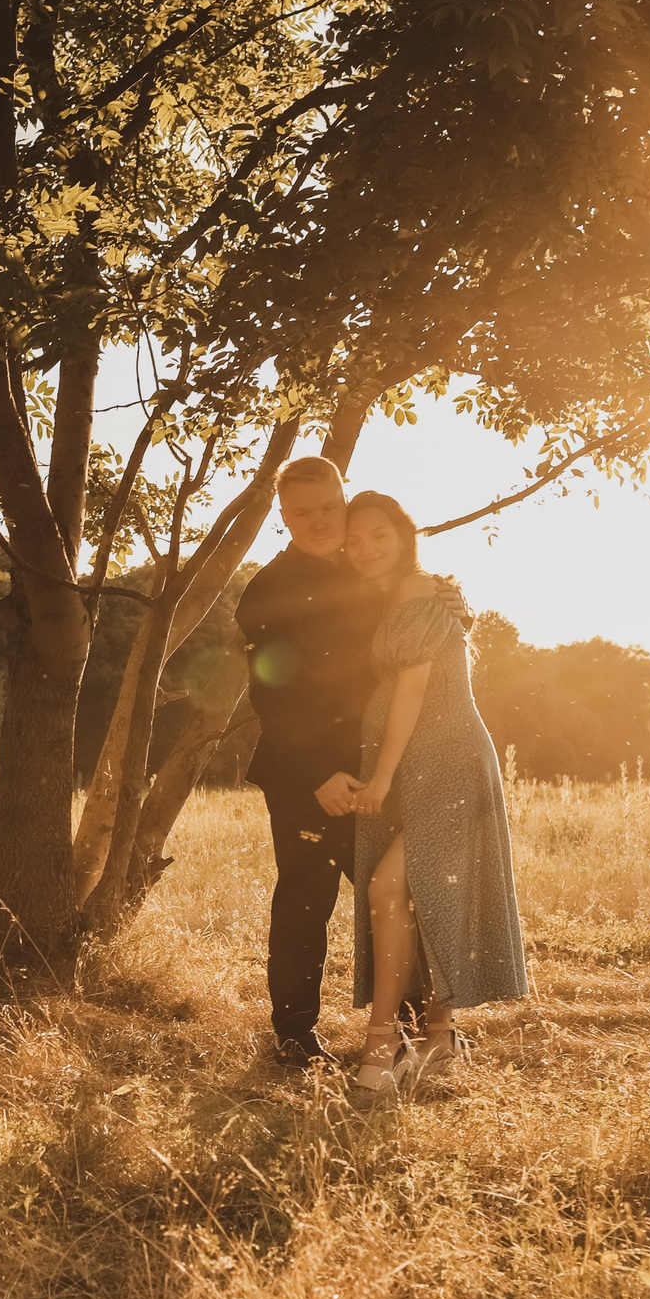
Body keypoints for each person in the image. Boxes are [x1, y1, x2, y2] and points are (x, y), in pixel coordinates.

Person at [340, 490, 529, 1104]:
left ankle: (380, 1045)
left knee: (390, 887)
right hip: (416, 763)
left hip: (441, 762)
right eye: (355, 539)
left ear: (405, 536)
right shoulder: (409, 593)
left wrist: (384, 775)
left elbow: (414, 690)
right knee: (419, 891)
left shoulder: (417, 592)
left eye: (378, 535)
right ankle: (440, 1034)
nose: (365, 548)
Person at [232, 454, 396, 1065]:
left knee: (393, 894)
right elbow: (273, 691)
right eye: (302, 513)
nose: (319, 521)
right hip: (305, 775)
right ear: (283, 515)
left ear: (342, 497)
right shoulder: (269, 590)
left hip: (379, 767)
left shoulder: (372, 566)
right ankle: (295, 1038)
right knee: (307, 897)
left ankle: (405, 1024)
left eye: (329, 507)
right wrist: (318, 773)